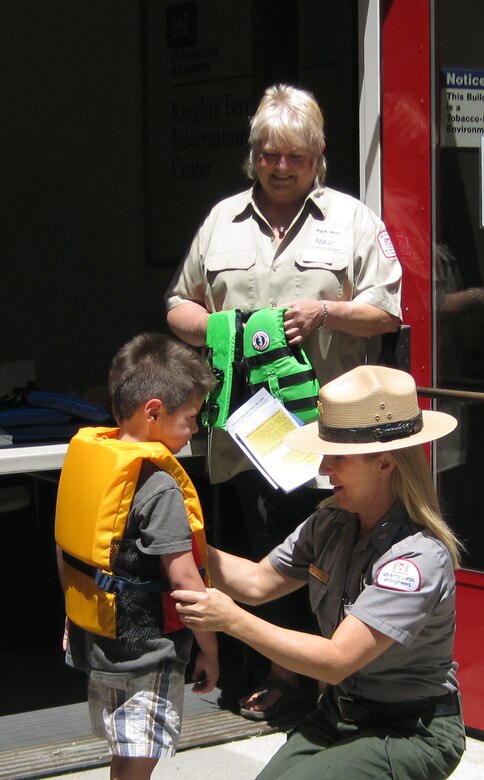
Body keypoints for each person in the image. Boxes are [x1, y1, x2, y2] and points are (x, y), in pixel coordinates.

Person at [165, 83, 402, 719]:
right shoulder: (222, 221)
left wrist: (326, 311)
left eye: (294, 156)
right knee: (248, 546)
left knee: (318, 557)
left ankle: (298, 678)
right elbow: (178, 303)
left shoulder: (352, 220)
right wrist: (219, 329)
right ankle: (238, 665)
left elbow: (387, 312)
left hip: (326, 433)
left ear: (319, 154)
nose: (279, 166)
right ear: (254, 154)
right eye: (269, 153)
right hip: (243, 432)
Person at [171, 364, 466, 780]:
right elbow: (257, 582)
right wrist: (177, 541)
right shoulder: (330, 523)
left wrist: (232, 621)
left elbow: (336, 661)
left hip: (409, 730)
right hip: (340, 714)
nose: (324, 469)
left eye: (338, 457)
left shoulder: (416, 560)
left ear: (384, 464)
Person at [55, 333, 219, 780]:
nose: (194, 431)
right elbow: (186, 583)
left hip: (97, 641)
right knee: (140, 761)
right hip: (149, 652)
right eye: (190, 418)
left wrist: (75, 615)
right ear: (153, 412)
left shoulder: (89, 461)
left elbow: (67, 550)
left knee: (124, 751)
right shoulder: (161, 487)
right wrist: (211, 649)